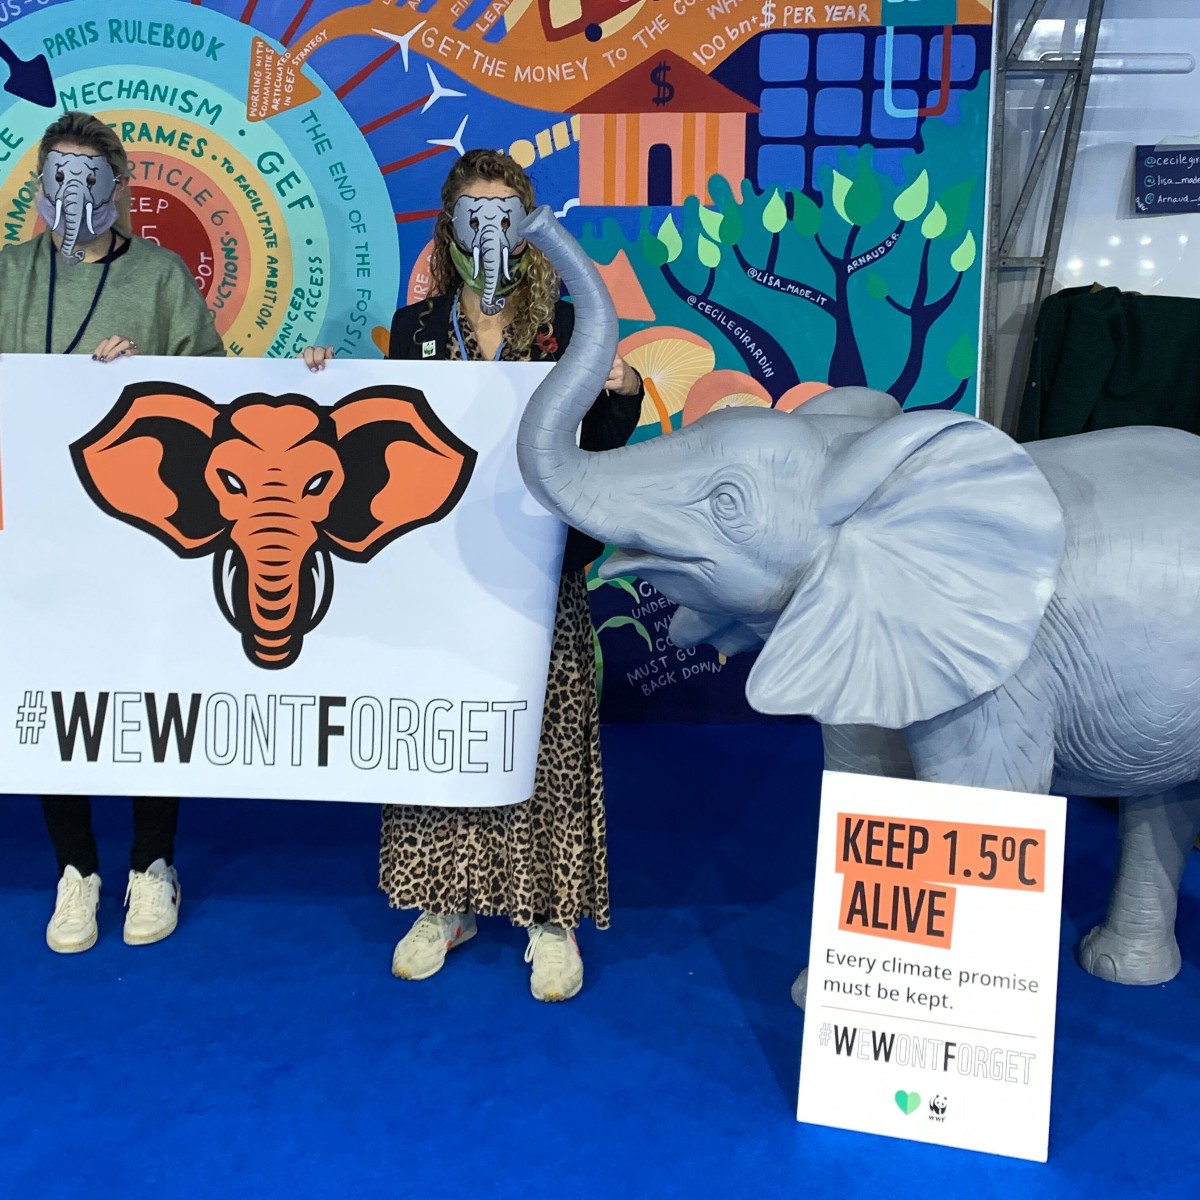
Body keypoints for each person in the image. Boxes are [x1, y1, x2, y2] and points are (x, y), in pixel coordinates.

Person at [303, 149, 642, 1000]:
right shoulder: (418, 328)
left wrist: (623, 392)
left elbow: (596, 455)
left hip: (539, 569)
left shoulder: (568, 325)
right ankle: (441, 899)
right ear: (449, 225)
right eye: (473, 212)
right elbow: (378, 437)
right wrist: (320, 381)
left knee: (546, 736)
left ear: (528, 225)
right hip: (439, 576)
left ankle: (549, 914)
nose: (488, 229)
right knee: (441, 729)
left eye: (505, 212)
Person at [0, 111, 225, 953]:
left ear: (117, 186)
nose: (70, 195)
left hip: (140, 532)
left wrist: (147, 378)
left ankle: (153, 863)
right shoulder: (6, 274)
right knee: (60, 694)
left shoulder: (161, 278)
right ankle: (75, 869)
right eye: (55, 176)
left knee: (147, 690)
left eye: (87, 178)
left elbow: (212, 392)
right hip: (35, 532)